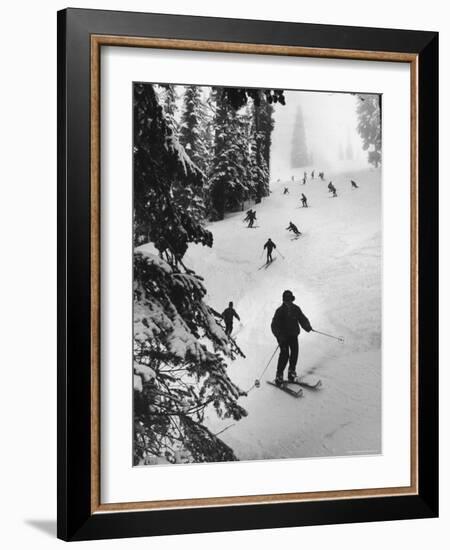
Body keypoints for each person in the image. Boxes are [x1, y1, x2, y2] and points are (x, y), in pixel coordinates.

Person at [271, 290, 313, 385]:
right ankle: (279, 375)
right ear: (284, 300)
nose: (289, 302)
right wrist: (279, 336)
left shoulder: (296, 309)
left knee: (294, 353)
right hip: (283, 337)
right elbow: (274, 325)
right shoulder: (280, 311)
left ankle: (291, 372)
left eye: (290, 300)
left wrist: (307, 326)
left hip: (293, 335)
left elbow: (302, 318)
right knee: (285, 354)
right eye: (287, 300)